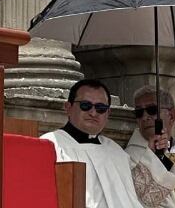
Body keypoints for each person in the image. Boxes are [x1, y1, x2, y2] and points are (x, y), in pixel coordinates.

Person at [41, 79, 143, 208]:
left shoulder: (116, 152)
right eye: (85, 105)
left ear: (108, 113)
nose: (93, 113)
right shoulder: (50, 145)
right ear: (68, 107)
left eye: (101, 108)